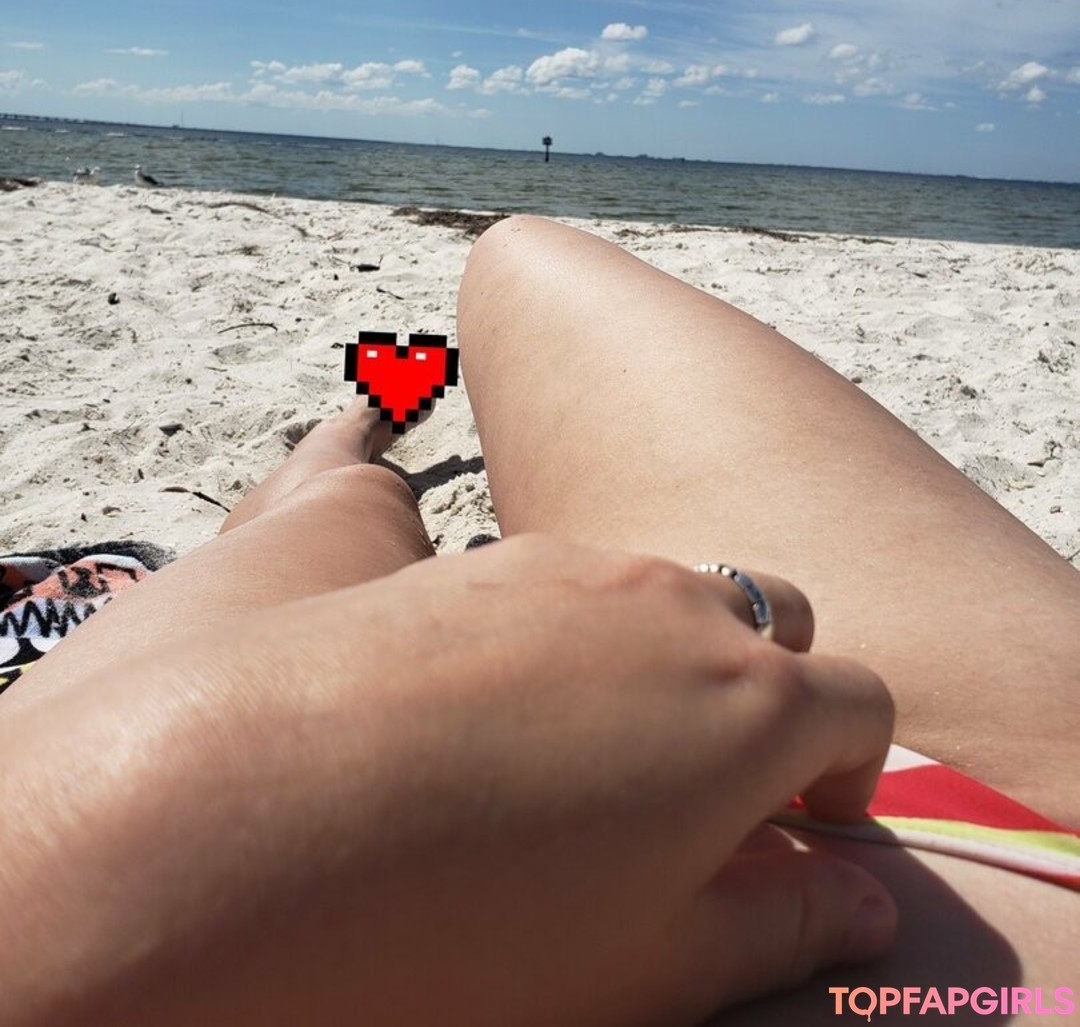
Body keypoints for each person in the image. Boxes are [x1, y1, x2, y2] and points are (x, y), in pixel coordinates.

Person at [0, 214, 1076, 1027]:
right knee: (509, 271)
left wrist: (91, 882)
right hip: (1001, 822)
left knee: (366, 477)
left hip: (946, 816)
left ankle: (355, 432)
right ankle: (362, 427)